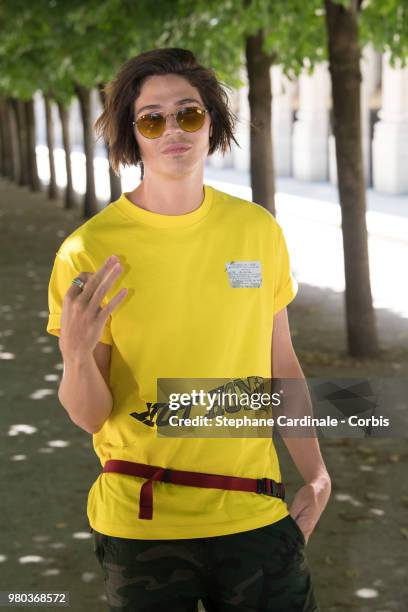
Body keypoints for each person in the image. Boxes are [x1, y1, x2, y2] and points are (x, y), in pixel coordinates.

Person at [46, 47, 331, 612]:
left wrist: (317, 476)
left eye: (189, 113)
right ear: (134, 136)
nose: (173, 130)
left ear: (212, 124)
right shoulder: (87, 252)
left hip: (255, 513)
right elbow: (88, 415)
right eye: (152, 118)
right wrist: (76, 358)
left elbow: (282, 364)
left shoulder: (256, 231)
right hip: (142, 525)